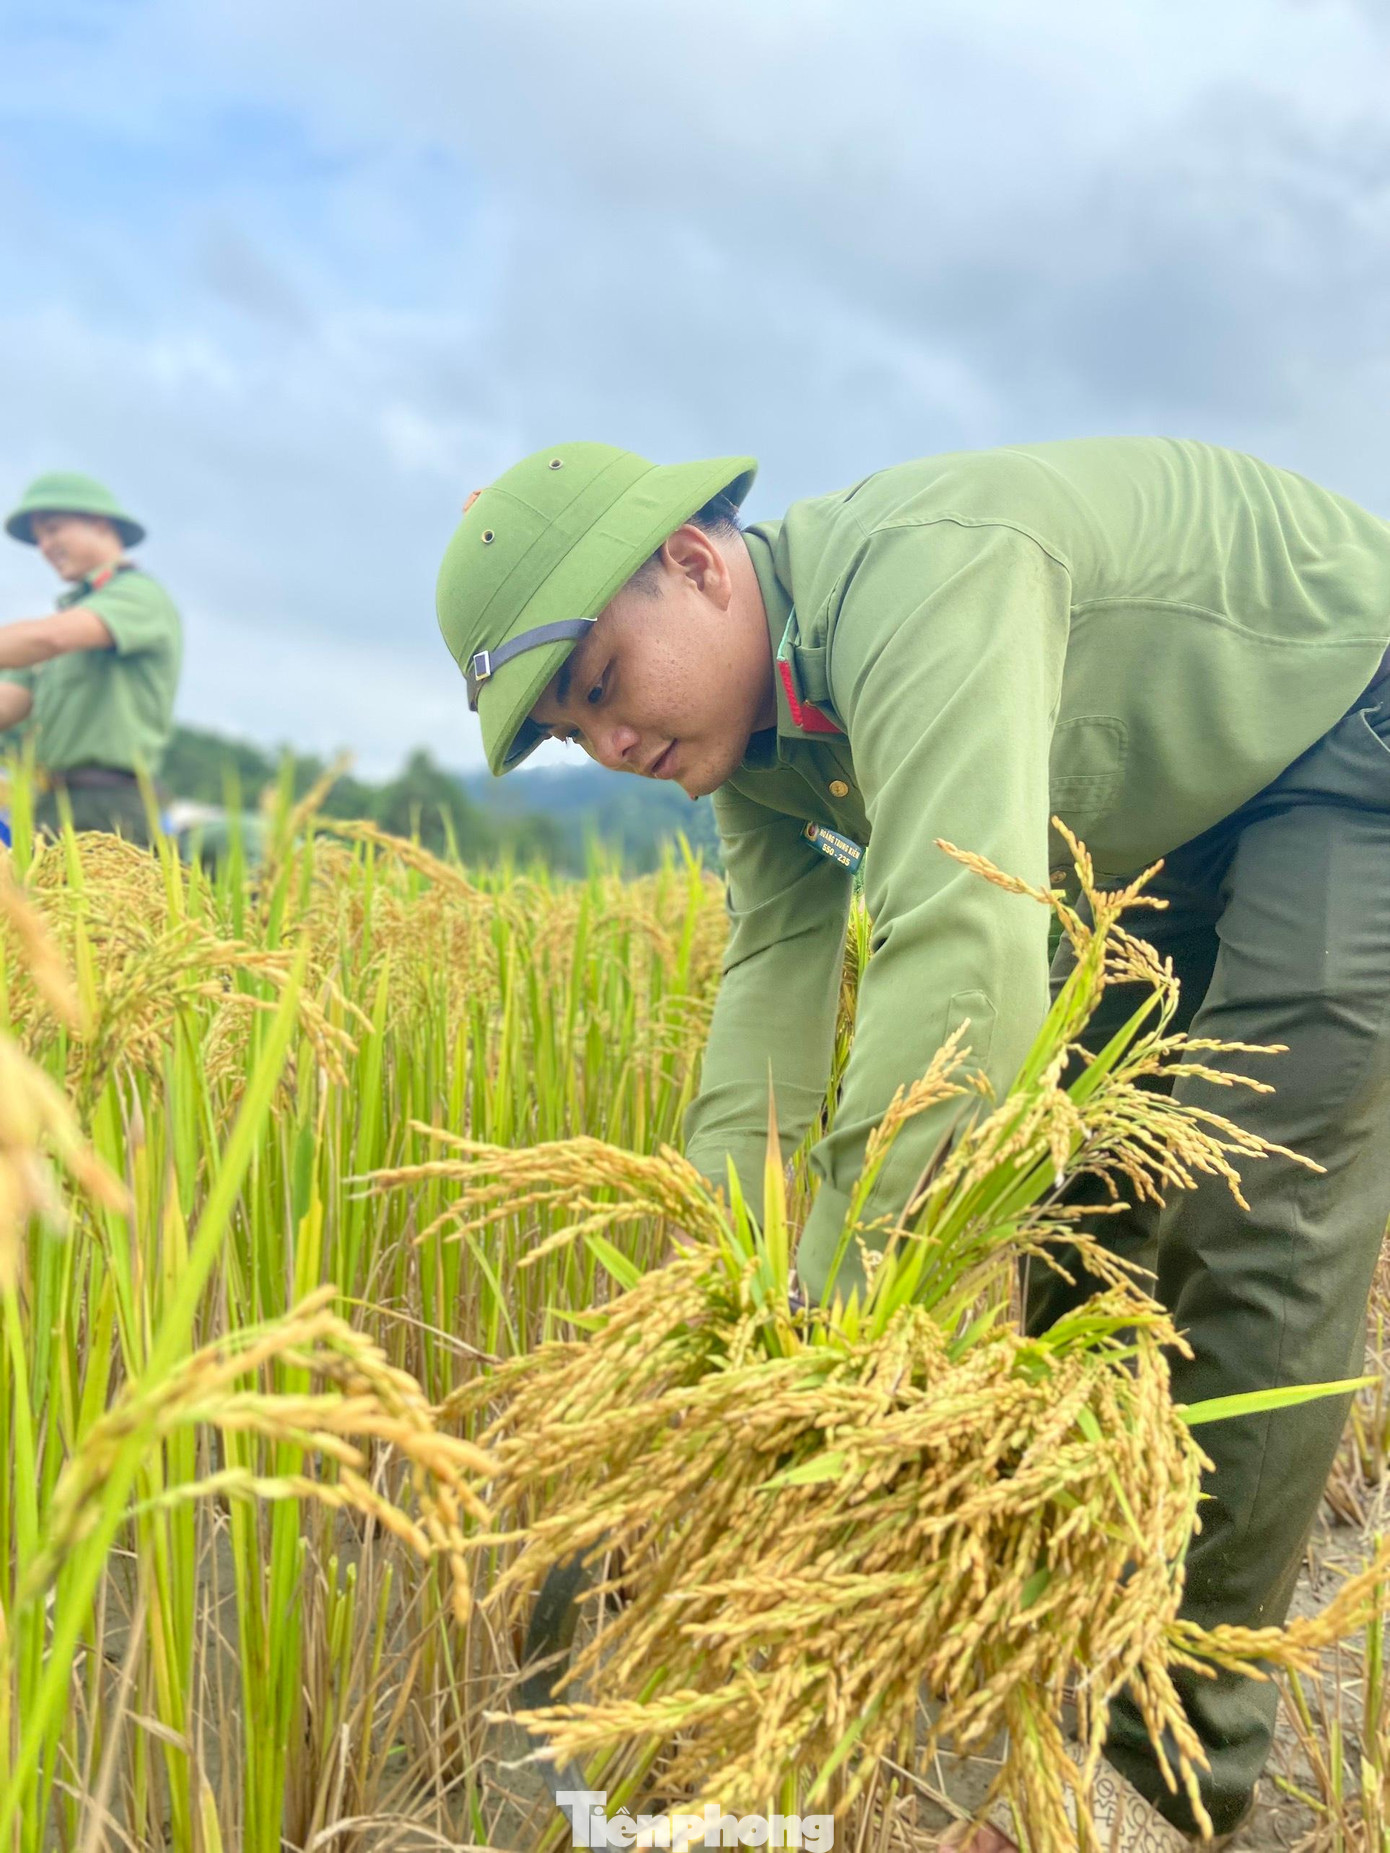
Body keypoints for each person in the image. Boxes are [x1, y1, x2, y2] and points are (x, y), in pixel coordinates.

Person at [434, 438, 1390, 1847]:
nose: (614, 745)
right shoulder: (751, 755)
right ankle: (1070, 1632)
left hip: (1336, 721)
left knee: (1253, 1205)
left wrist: (834, 1311)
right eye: (575, 737)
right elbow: (766, 1006)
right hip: (1150, 818)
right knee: (1082, 1214)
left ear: (695, 564)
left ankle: (1165, 1774)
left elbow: (963, 943)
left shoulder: (926, 574)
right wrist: (713, 1326)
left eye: (599, 686)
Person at [1, 471, 182, 844]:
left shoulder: (139, 596)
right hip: (50, 800)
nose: (45, 546)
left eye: (53, 529)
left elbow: (47, 638)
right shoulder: (66, 621)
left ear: (99, 523)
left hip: (108, 808)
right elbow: (6, 705)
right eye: (38, 538)